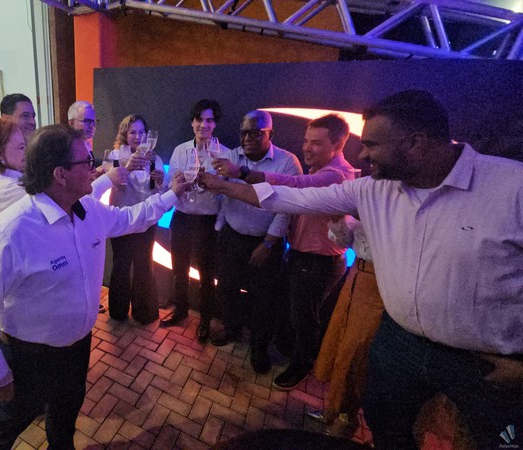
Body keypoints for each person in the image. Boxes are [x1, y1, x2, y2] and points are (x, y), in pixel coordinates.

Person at [198, 90, 523, 449]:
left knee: (495, 441)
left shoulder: (512, 187)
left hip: (483, 362)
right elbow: (289, 196)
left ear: (415, 143)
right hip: (398, 342)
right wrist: (222, 185)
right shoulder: (372, 189)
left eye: (371, 145)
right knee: (388, 431)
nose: (362, 155)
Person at [0, 125, 191, 449]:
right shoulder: (11, 232)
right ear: (60, 175)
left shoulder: (89, 210)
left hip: (77, 348)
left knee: (65, 419)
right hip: (29, 357)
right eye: (86, 161)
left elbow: (132, 218)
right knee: (0, 431)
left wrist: (172, 193)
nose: (94, 167)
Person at [213, 113, 356, 389]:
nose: (307, 148)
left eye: (316, 143)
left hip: (309, 258)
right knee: (233, 289)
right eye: (306, 141)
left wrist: (268, 242)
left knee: (279, 307)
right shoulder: (318, 169)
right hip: (270, 247)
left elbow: (287, 195)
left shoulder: (332, 174)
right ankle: (235, 330)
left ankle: (274, 355)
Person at [207, 110, 302, 373]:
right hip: (232, 235)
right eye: (244, 132)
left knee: (264, 298)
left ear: (270, 133)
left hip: (265, 241)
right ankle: (232, 328)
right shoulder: (230, 156)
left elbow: (286, 208)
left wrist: (268, 244)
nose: (247, 138)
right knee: (227, 287)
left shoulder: (287, 162)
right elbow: (222, 194)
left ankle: (259, 346)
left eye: (255, 133)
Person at [0, 117, 126, 238]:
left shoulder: (1, 181)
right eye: (21, 147)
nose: (27, 153)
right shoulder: (5, 189)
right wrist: (107, 180)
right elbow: (66, 203)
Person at [160, 99, 231, 342]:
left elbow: (228, 194)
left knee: (206, 275)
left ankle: (205, 320)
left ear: (215, 124)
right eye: (199, 119)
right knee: (179, 269)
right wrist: (178, 183)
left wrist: (218, 222)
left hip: (207, 221)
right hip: (181, 217)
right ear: (192, 122)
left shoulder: (224, 154)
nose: (204, 125)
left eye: (209, 120)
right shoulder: (181, 150)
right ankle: (180, 310)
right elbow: (169, 183)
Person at [309, 217, 384, 438]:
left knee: (356, 352)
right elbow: (344, 241)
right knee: (338, 342)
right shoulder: (367, 200)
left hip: (379, 283)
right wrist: (337, 217)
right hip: (356, 274)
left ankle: (347, 418)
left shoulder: (402, 211)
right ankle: (333, 409)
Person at [107, 114, 167, 324]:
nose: (137, 136)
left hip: (146, 221)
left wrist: (161, 181)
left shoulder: (155, 159)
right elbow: (109, 182)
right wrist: (128, 167)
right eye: (132, 132)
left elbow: (161, 192)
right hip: (121, 219)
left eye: (141, 132)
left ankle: (143, 312)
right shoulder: (115, 156)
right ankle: (118, 312)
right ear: (125, 134)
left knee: (144, 264)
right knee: (121, 264)